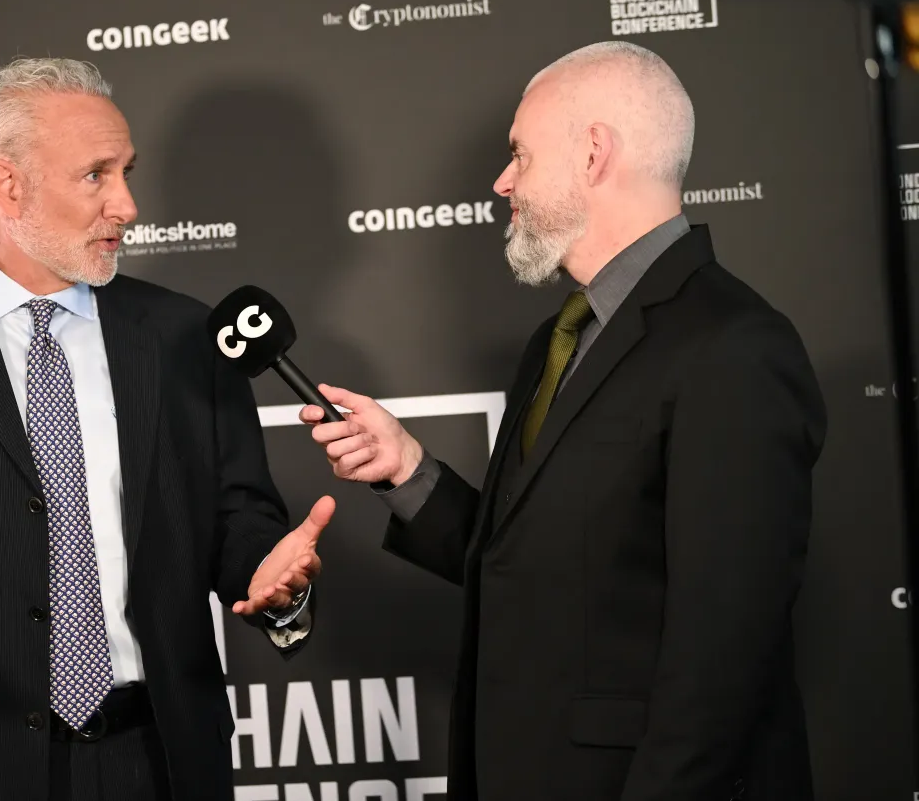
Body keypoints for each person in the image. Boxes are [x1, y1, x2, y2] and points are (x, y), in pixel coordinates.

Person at [0, 57, 334, 801]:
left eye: (128, 172)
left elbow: (238, 521)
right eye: (96, 176)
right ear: (9, 183)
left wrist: (273, 577)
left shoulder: (181, 334)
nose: (128, 204)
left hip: (159, 758)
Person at [300, 41, 825, 801]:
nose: (502, 180)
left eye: (519, 154)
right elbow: (541, 569)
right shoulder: (563, 338)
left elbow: (724, 661)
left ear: (592, 154)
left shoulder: (735, 347)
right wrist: (408, 471)